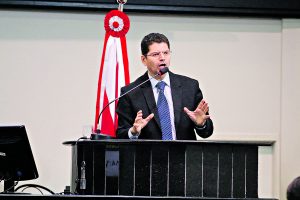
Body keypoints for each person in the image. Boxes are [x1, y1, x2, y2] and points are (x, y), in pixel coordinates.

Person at [116, 33, 213, 140]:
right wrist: (133, 132)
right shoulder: (130, 93)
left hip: (183, 155)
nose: (162, 58)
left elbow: (207, 132)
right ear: (144, 60)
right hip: (149, 156)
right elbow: (121, 134)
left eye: (166, 53)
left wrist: (201, 124)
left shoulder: (190, 87)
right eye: (155, 54)